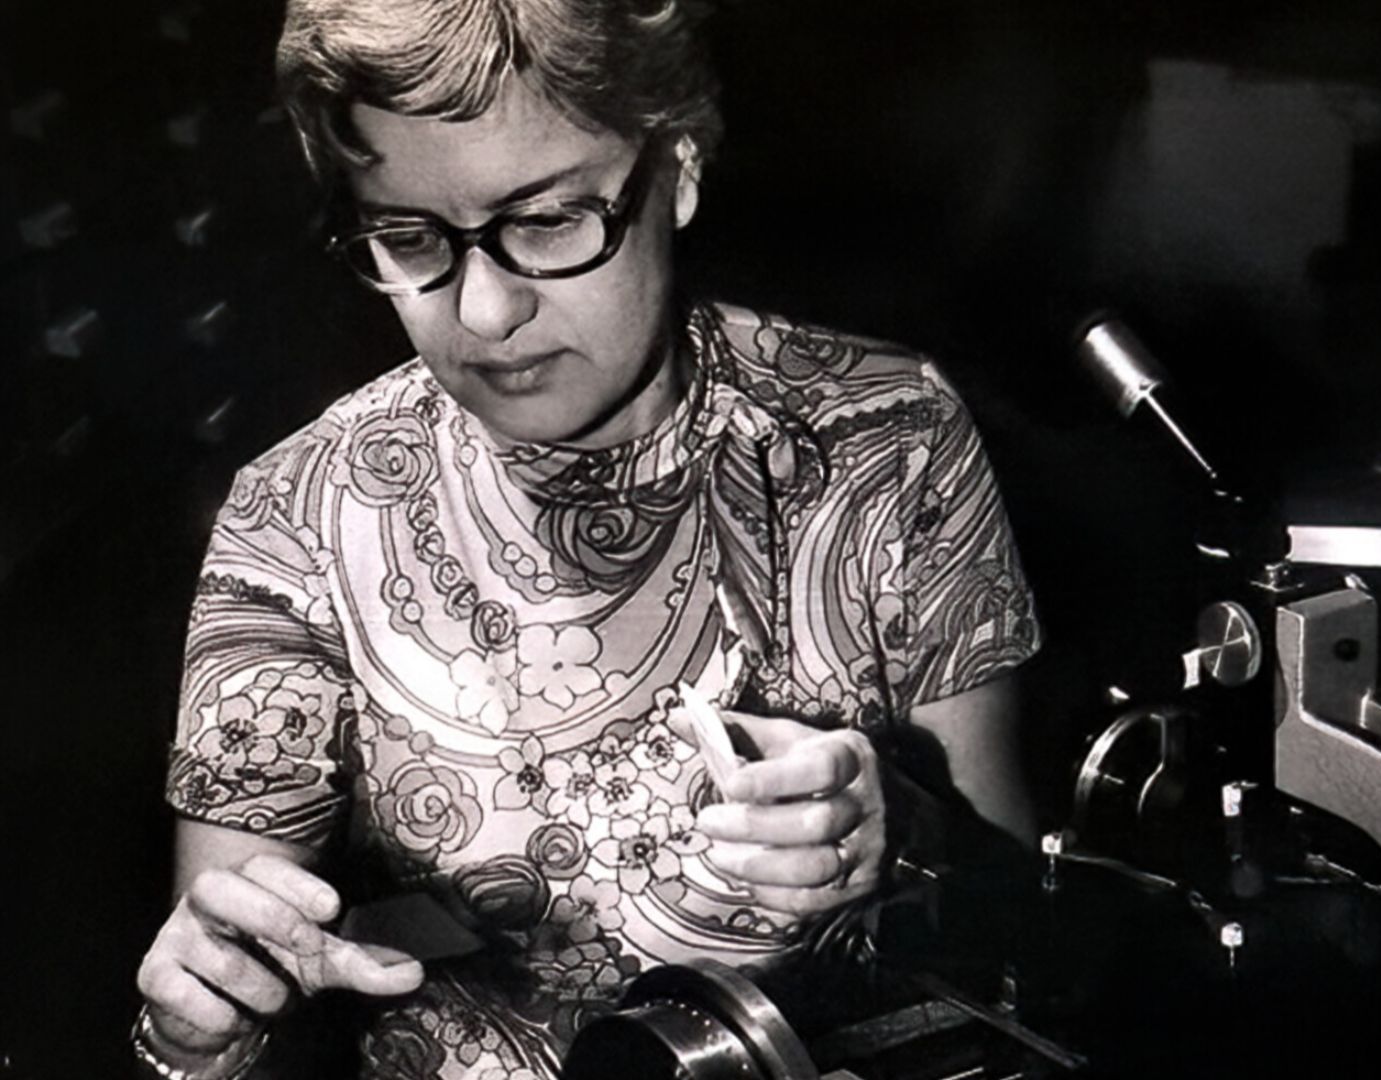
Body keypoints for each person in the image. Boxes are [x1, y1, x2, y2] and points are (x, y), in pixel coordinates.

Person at [133, 1, 1042, 1075]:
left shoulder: (888, 438)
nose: (481, 312)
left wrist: (899, 835)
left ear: (682, 167)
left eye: (550, 221)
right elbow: (230, 981)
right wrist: (194, 1032)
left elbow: (1016, 930)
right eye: (408, 236)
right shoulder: (295, 518)